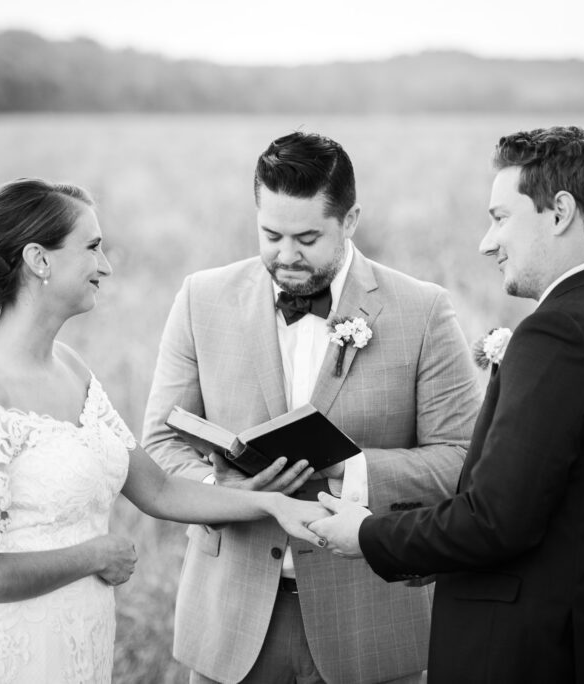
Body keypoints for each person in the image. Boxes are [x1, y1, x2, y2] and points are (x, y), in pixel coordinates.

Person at [311, 126, 584, 683]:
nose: (488, 243)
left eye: (501, 218)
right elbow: (550, 514)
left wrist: (367, 534)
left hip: (531, 658)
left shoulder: (560, 334)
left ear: (560, 213)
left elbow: (496, 521)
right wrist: (431, 552)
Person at [0, 178, 329, 684]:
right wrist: (95, 554)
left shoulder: (70, 366)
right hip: (16, 654)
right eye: (92, 247)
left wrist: (270, 503)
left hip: (84, 643)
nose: (106, 266)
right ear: (39, 259)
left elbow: (157, 488)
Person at [141, 132, 482, 684]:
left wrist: (351, 470)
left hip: (371, 621)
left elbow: (462, 458)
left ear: (350, 221)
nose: (285, 255)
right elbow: (161, 443)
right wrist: (221, 491)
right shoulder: (201, 298)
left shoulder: (423, 311)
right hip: (231, 622)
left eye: (307, 238)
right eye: (271, 235)